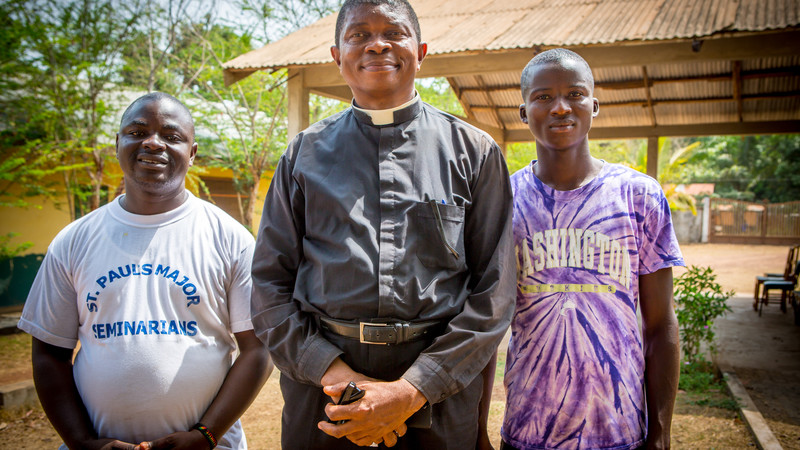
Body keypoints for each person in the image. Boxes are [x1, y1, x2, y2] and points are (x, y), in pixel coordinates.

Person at [249, 0, 516, 448]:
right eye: (358, 35)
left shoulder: (475, 152)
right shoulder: (303, 155)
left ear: (421, 50)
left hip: (438, 390)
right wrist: (334, 376)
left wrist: (410, 391)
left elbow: (494, 292)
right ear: (337, 56)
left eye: (393, 32)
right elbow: (268, 286)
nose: (376, 45)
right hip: (323, 393)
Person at [18, 92, 272, 450]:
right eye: (137, 132)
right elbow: (48, 353)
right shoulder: (73, 240)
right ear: (117, 143)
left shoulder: (231, 238)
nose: (153, 144)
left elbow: (258, 350)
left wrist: (206, 435)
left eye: (171, 137)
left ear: (193, 152)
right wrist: (81, 442)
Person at [501, 49, 683, 450]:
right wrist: (479, 430)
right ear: (523, 110)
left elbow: (660, 326)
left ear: (594, 105)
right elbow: (485, 325)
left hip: (619, 431)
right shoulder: (503, 199)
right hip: (528, 430)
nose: (561, 107)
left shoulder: (640, 196)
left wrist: (662, 432)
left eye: (575, 94)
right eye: (543, 96)